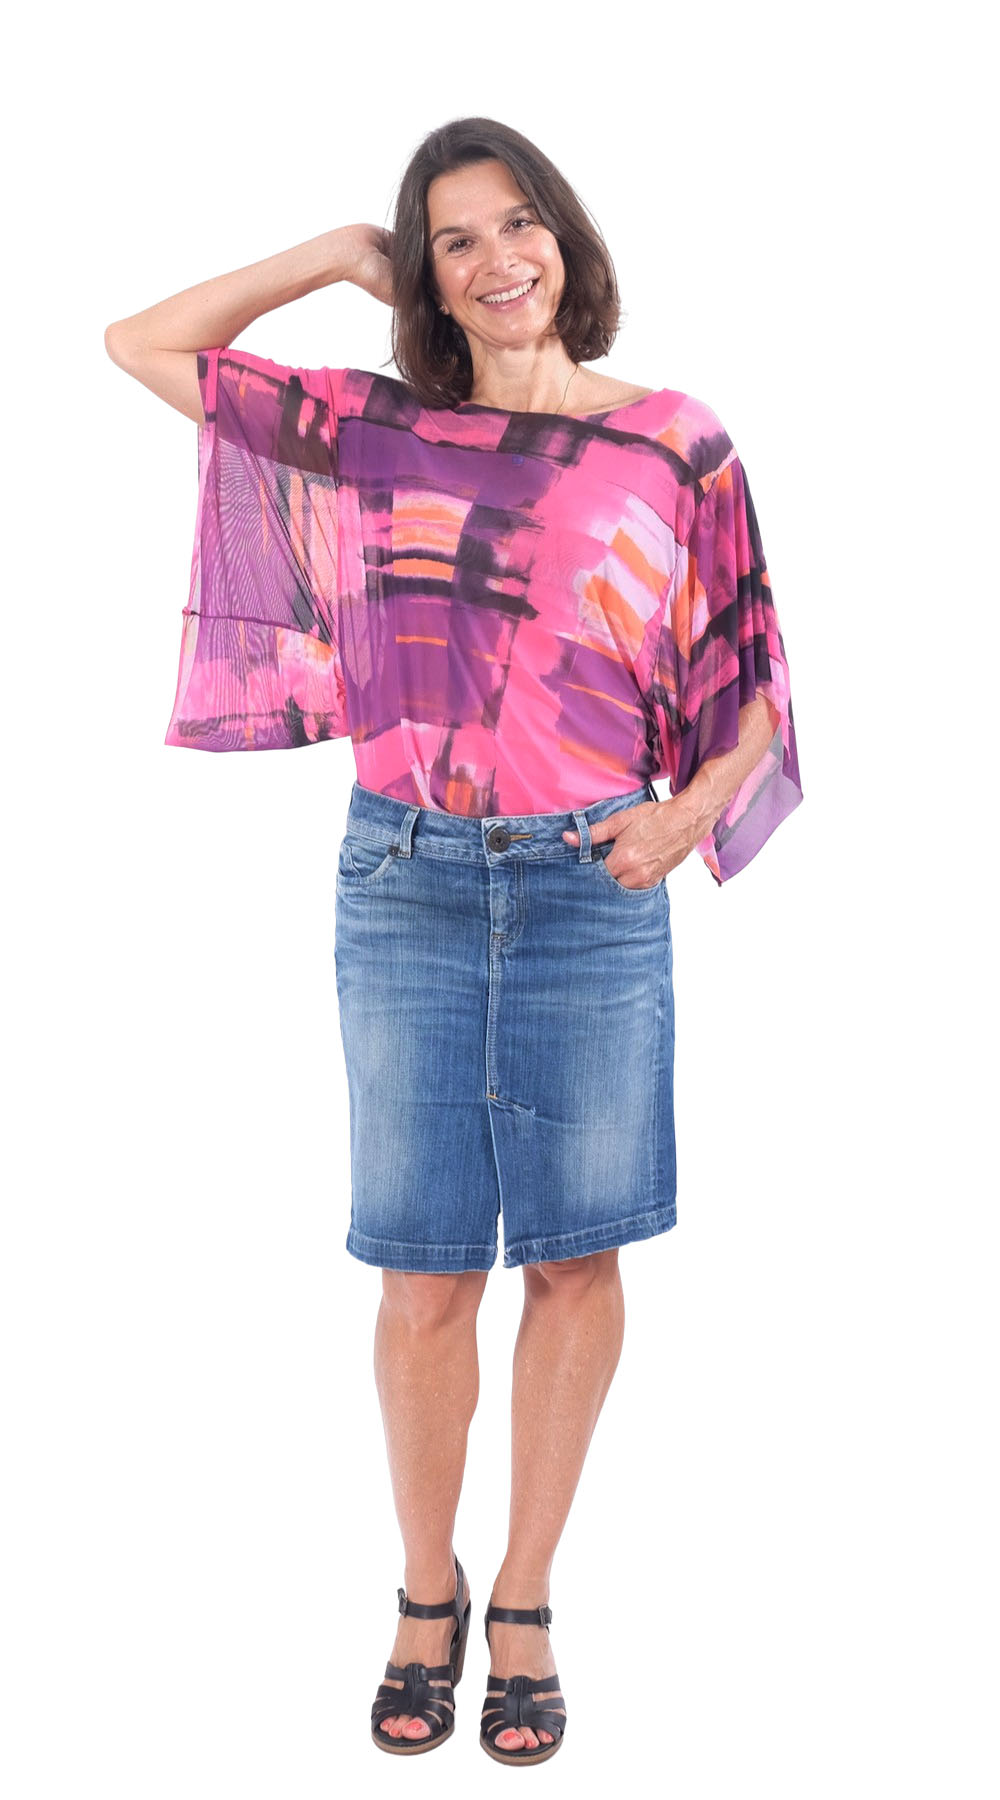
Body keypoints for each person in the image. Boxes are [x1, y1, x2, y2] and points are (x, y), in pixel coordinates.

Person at [105, 115, 802, 1766]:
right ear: (427, 272)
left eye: (519, 224)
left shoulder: (676, 444)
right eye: (456, 239)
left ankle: (529, 1602)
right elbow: (143, 344)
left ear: (567, 237)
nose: (499, 261)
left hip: (591, 885)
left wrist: (686, 816)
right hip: (406, 879)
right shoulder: (375, 430)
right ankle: (427, 1593)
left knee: (575, 1254)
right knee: (422, 1271)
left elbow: (754, 685)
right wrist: (335, 253)